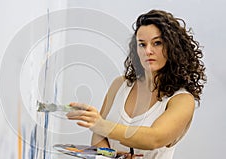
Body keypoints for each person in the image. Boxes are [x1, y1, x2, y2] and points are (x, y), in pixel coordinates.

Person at [66, 9, 206, 159]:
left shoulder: (182, 100)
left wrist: (101, 125)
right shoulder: (120, 85)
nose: (148, 51)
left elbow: (154, 138)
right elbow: (98, 136)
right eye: (142, 44)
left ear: (173, 48)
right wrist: (112, 156)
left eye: (157, 43)